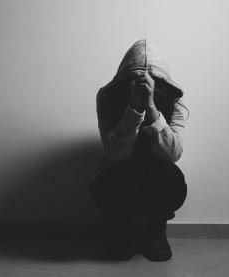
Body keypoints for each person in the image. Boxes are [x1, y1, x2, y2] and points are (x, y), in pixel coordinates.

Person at [88, 39, 189, 262]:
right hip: (119, 174)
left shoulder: (174, 101)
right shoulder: (107, 98)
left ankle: (155, 232)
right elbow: (114, 155)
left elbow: (173, 154)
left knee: (171, 176)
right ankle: (120, 230)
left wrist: (152, 108)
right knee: (111, 177)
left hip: (158, 175)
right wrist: (133, 111)